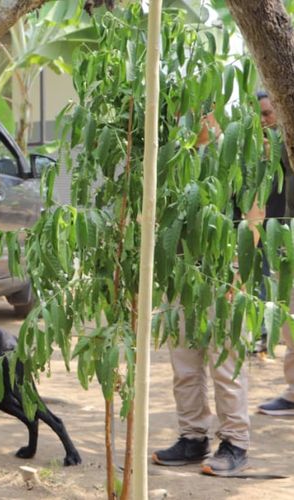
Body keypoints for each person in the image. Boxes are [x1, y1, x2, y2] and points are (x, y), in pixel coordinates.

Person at [152, 112, 251, 477]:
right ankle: (193, 437)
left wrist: (239, 275)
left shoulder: (234, 154)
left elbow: (253, 216)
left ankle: (235, 443)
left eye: (195, 110)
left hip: (224, 275)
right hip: (180, 277)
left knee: (226, 364)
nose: (187, 119)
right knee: (184, 365)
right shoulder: (176, 158)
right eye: (181, 111)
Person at [256, 91, 294, 416]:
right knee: (288, 318)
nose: (264, 122)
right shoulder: (262, 153)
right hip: (279, 240)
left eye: (269, 114)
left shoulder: (286, 148)